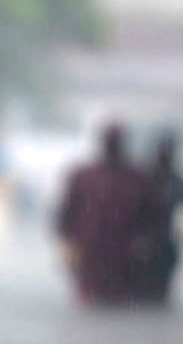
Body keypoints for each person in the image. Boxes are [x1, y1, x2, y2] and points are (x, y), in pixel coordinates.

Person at [55, 122, 163, 306]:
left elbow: (153, 216)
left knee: (120, 302)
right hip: (92, 254)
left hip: (125, 256)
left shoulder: (138, 178)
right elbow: (66, 214)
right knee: (94, 301)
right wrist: (68, 246)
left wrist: (144, 243)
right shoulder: (84, 177)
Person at [138, 130, 183, 304]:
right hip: (147, 245)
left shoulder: (174, 183)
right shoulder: (143, 181)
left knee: (155, 296)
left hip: (161, 246)